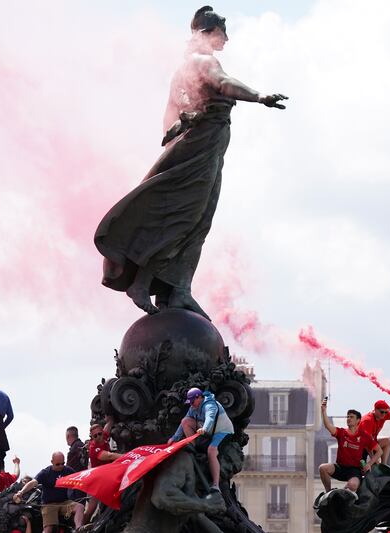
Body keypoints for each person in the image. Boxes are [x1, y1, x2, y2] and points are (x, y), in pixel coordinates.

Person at [94, 5, 288, 318]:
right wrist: (260, 96)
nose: (225, 39)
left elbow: (173, 114)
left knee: (201, 222)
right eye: (222, 33)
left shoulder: (187, 68)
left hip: (209, 148)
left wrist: (179, 130)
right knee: (185, 218)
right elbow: (224, 84)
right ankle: (141, 283)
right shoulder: (202, 61)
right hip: (199, 148)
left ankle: (180, 288)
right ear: (209, 33)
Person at [168, 387, 234, 492]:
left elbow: (210, 418)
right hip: (208, 431)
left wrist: (204, 429)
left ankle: (216, 485)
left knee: (211, 451)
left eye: (193, 402)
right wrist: (174, 438)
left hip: (222, 432)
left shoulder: (210, 405)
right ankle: (193, 448)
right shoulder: (193, 407)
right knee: (185, 421)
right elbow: (183, 423)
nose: (191, 404)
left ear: (199, 397)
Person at [318, 398, 382, 500]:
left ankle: (343, 496)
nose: (348, 418)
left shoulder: (364, 435)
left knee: (352, 485)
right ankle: (328, 493)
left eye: (351, 417)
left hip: (355, 471)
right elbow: (328, 426)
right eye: (347, 417)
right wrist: (323, 411)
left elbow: (379, 451)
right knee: (322, 468)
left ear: (358, 420)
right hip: (340, 467)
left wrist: (369, 464)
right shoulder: (342, 433)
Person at [13, 452, 85, 533]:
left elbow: (80, 478)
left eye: (63, 463)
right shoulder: (46, 472)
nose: (61, 466)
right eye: (58, 464)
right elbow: (33, 482)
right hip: (49, 504)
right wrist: (21, 492)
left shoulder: (67, 470)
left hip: (64, 503)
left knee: (80, 507)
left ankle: (79, 529)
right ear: (52, 462)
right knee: (49, 528)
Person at [84, 421, 122, 521]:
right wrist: (127, 456)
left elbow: (107, 428)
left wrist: (110, 419)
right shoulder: (94, 448)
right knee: (91, 509)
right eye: (95, 436)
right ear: (92, 437)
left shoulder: (103, 436)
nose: (98, 437)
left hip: (107, 476)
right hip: (97, 480)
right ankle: (80, 528)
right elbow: (109, 456)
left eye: (100, 434)